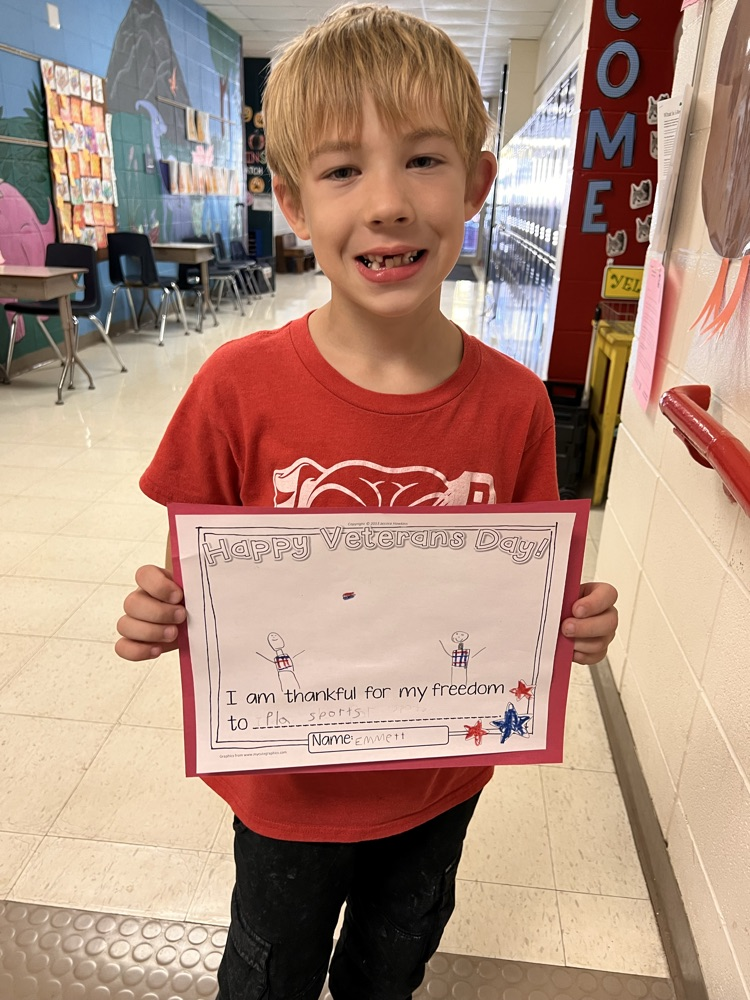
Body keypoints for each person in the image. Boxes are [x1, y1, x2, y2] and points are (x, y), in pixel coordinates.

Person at [115, 6, 618, 998]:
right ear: (293, 203)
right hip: (286, 788)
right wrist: (162, 612)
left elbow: (526, 588)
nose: (388, 203)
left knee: (392, 962)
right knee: (270, 967)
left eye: (423, 160)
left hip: (440, 778)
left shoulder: (516, 405)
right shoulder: (236, 389)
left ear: (476, 185)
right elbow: (194, 575)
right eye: (343, 170)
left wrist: (568, 625)